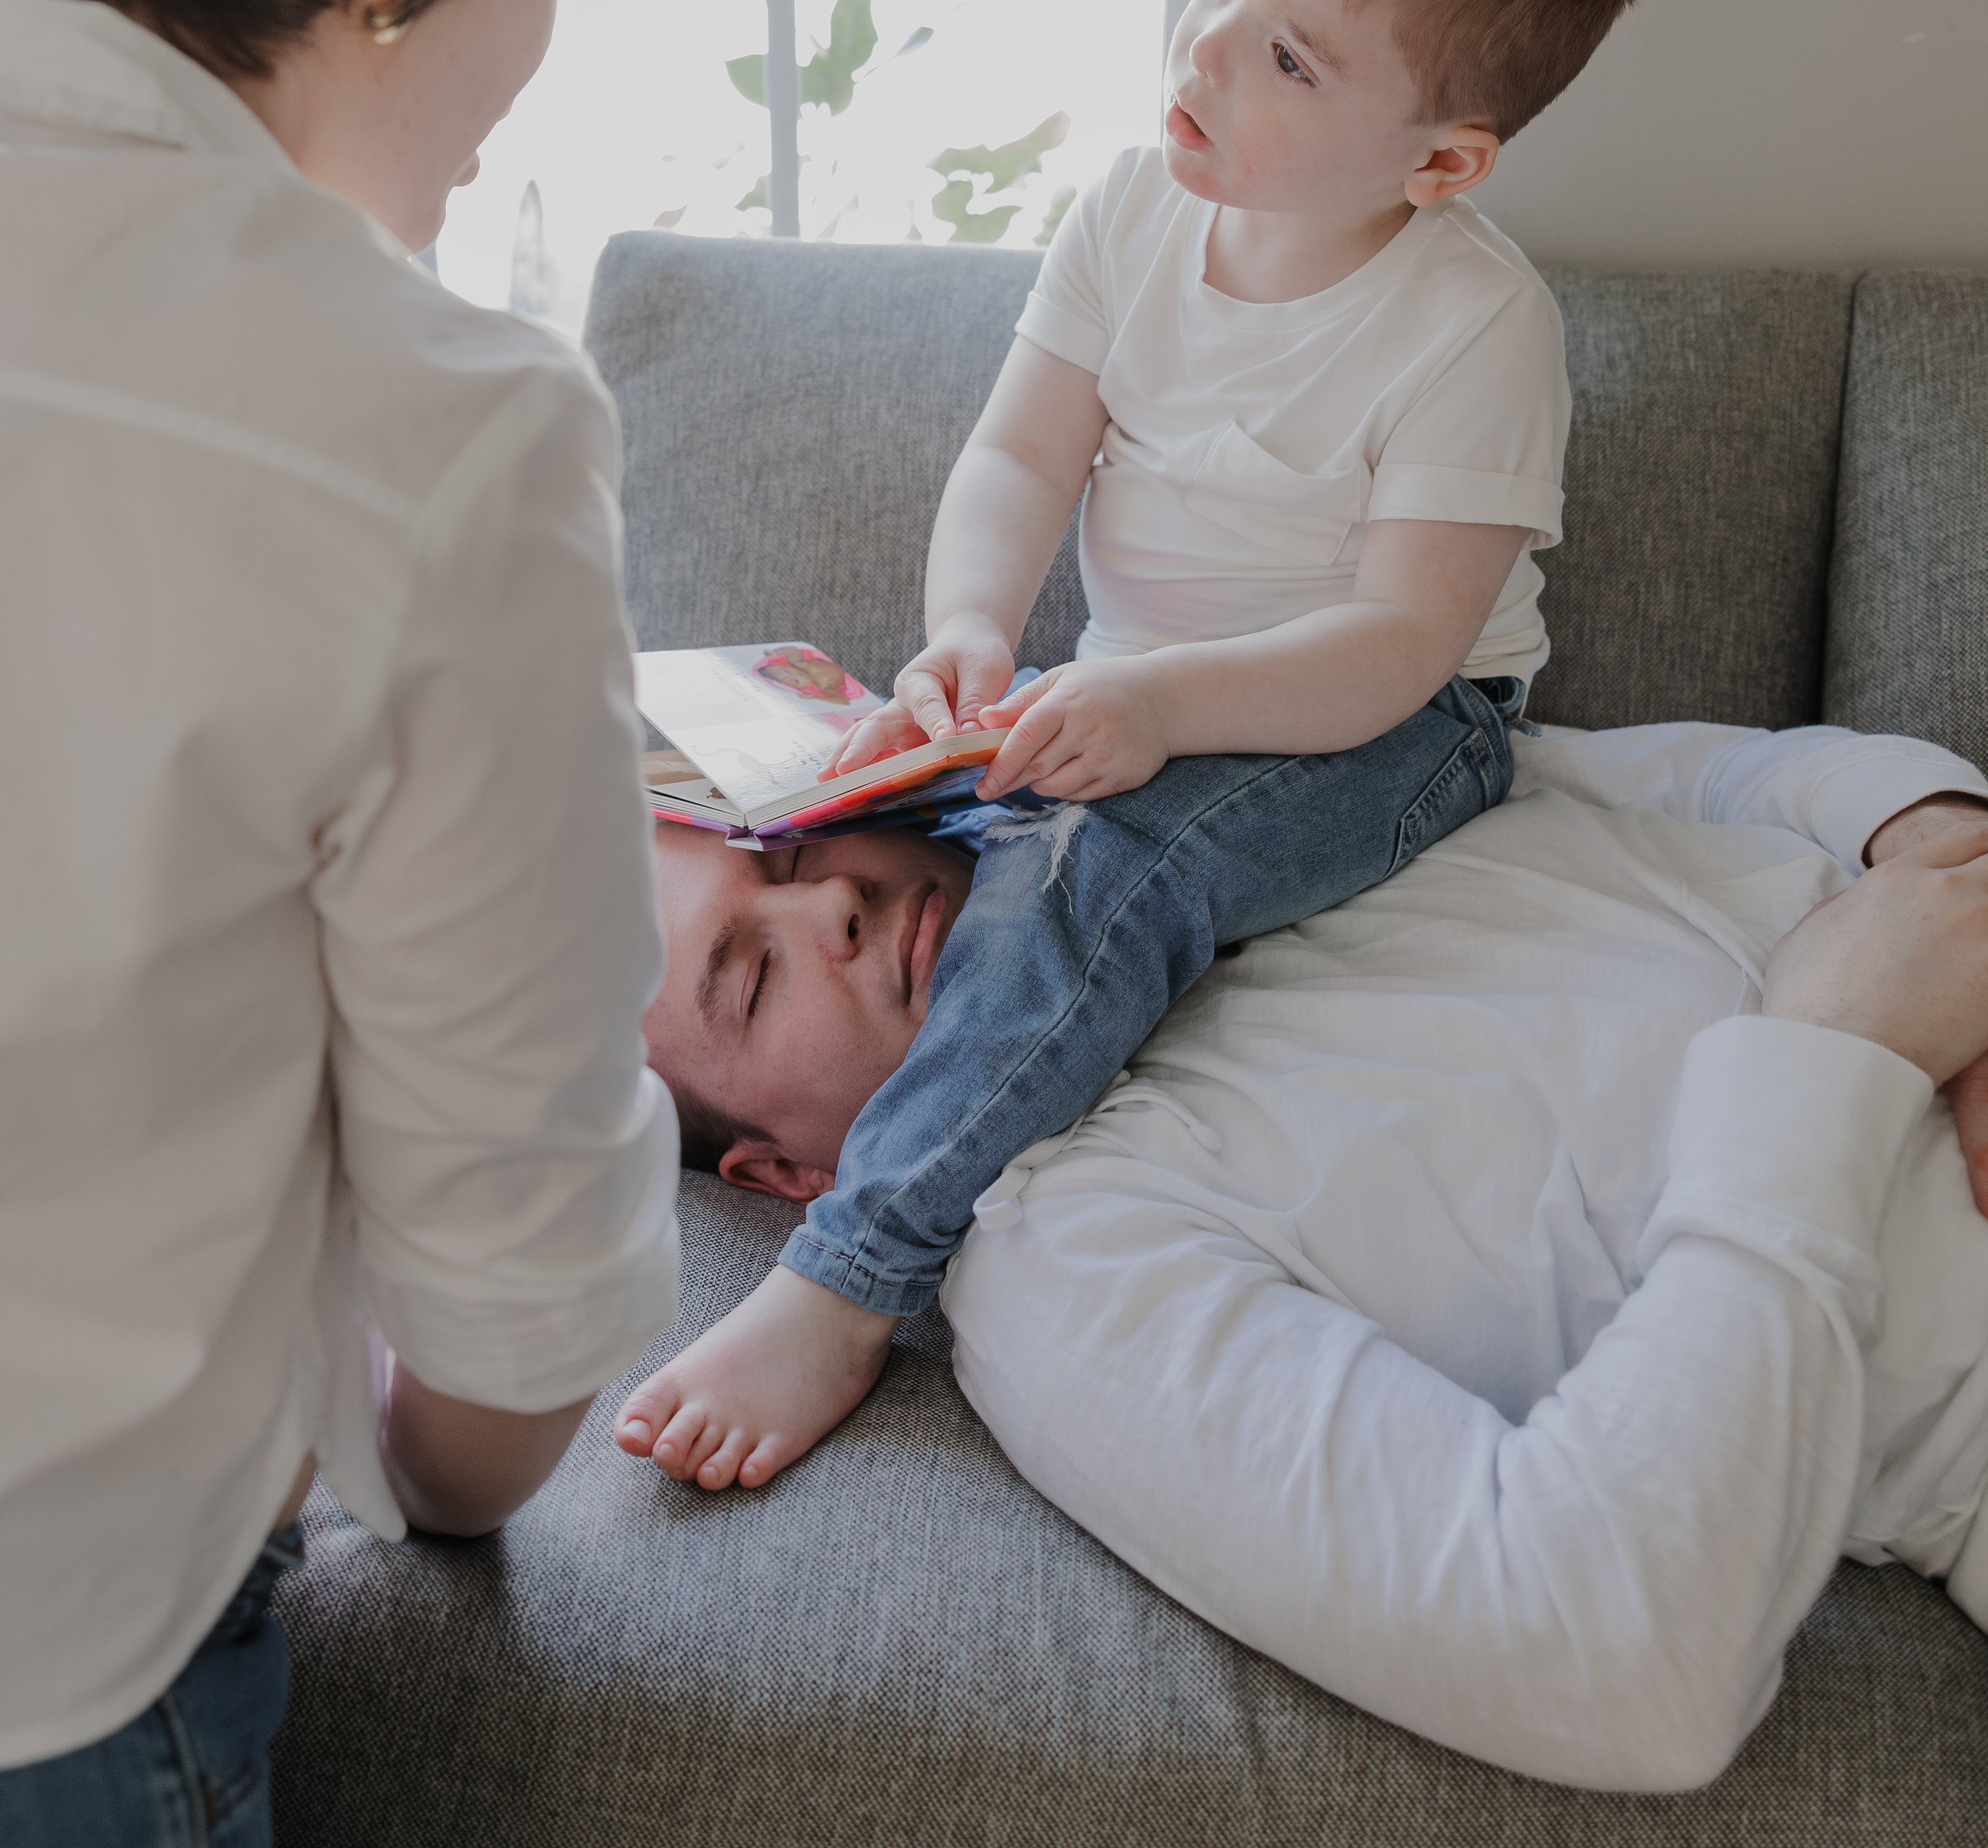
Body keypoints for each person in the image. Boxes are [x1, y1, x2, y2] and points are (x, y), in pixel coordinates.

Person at [619, 0, 1648, 1483]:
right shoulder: (1133, 208)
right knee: (865, 783)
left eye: (1287, 55)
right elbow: (1021, 450)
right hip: (1148, 684)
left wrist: (1157, 705)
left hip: (1392, 726)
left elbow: (1397, 640)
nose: (1208, 48)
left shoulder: (1473, 326)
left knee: (1104, 871)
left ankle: (856, 1272)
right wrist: (965, 627)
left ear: (1441, 158)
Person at [0, 0, 680, 1848]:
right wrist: (442, 1470)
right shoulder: (432, 433)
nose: (529, 40)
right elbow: (509, 1311)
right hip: (53, 1661)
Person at [628, 720, 1988, 1788]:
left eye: (794, 855)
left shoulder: (1198, 816)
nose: (836, 912)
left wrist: (1936, 850)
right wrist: (1840, 1055)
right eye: (751, 979)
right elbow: (1615, 1658)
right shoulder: (1068, 1255)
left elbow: (1681, 771)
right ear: (792, 1178)